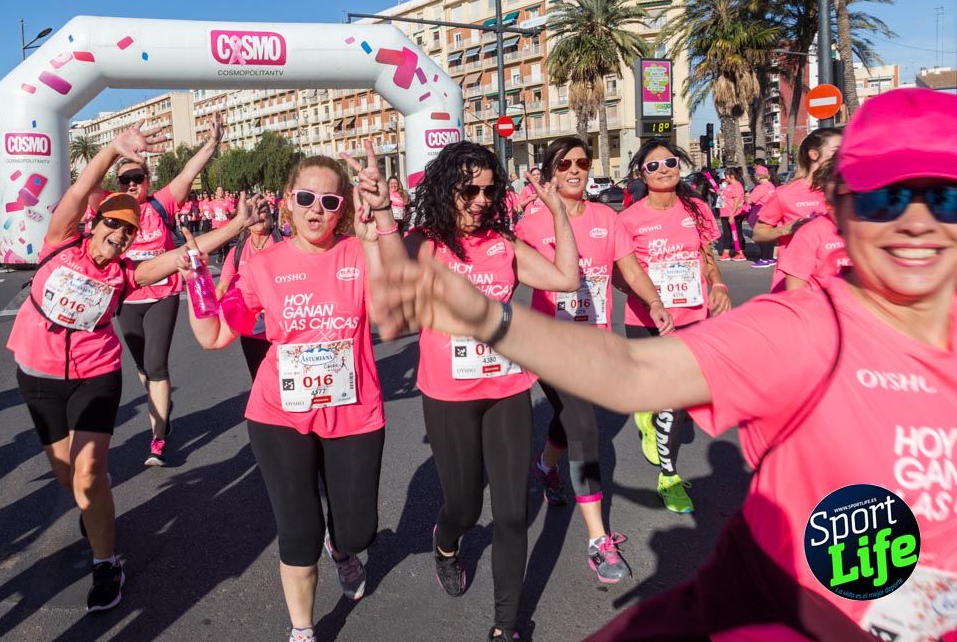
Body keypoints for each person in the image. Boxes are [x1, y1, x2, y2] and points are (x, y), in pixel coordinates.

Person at [367, 87, 957, 641]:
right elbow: (631, 372)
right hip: (777, 612)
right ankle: (456, 537)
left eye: (945, 196)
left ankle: (507, 620)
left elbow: (588, 275)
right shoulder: (805, 325)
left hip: (516, 380)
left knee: (522, 502)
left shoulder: (579, 225)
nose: (917, 222)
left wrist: (692, 282)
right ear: (843, 207)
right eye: (887, 196)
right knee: (476, 498)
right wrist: (484, 317)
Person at [6, 123, 250, 613]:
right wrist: (112, 149)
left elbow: (184, 254)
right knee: (67, 476)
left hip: (96, 374)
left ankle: (105, 562)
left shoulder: (126, 275)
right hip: (38, 372)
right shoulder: (58, 243)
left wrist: (236, 227)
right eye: (110, 225)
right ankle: (94, 507)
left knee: (90, 472)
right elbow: (77, 191)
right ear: (92, 225)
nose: (117, 235)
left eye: (126, 231)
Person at [365, 141, 581, 641]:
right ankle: (446, 543)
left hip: (507, 388)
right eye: (469, 190)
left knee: (512, 512)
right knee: (463, 503)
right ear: (447, 189)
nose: (482, 199)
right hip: (448, 393)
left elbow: (567, 277)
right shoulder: (425, 242)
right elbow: (398, 278)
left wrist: (557, 214)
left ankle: (506, 625)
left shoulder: (504, 244)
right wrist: (381, 213)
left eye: (489, 189)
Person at [180, 146, 389, 642]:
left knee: (357, 530)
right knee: (298, 533)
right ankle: (302, 630)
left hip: (354, 413)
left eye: (330, 201)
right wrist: (196, 281)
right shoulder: (261, 265)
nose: (318, 209)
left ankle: (344, 549)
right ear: (287, 203)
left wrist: (378, 230)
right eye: (306, 197)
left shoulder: (359, 253)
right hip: (280, 416)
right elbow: (214, 335)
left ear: (344, 207)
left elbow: (387, 316)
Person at [514, 136, 675, 585]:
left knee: (569, 420)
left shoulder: (607, 218)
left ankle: (545, 466)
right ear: (549, 170)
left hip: (596, 344)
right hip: (551, 344)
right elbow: (501, 267)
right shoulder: (531, 221)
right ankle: (598, 540)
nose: (574, 169)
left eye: (582, 162)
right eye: (564, 163)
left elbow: (632, 270)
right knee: (584, 427)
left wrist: (655, 302)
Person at [618, 140, 729, 514]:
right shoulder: (629, 219)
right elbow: (622, 272)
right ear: (641, 175)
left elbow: (707, 256)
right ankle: (647, 414)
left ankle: (668, 475)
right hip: (644, 318)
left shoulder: (696, 209)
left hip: (692, 316)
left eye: (669, 162)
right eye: (653, 166)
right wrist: (649, 294)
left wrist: (718, 284)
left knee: (677, 398)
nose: (663, 169)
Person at [110, 113, 224, 467]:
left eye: (137, 178)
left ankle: (158, 438)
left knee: (156, 366)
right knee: (144, 369)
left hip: (163, 294)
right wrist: (114, 151)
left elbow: (189, 171)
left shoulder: (161, 203)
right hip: (127, 298)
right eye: (124, 179)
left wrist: (211, 144)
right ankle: (160, 407)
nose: (131, 184)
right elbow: (81, 188)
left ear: (147, 180)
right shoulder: (111, 209)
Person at [753, 128, 843, 291]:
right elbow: (758, 233)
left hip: (837, 285)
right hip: (794, 285)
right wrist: (787, 229)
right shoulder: (786, 194)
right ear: (814, 155)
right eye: (836, 151)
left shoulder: (846, 192)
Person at [215, 199, 284, 381]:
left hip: (283, 329)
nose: (258, 216)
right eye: (253, 211)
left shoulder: (286, 245)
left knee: (287, 381)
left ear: (271, 216)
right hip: (252, 330)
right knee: (259, 379)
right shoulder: (237, 251)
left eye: (263, 210)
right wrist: (210, 316)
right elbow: (221, 288)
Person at [779, 160, 852, 291]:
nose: (838, 211)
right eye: (830, 204)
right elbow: (795, 290)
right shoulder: (809, 233)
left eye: (843, 201)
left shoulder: (871, 228)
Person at [745, 165, 777, 268]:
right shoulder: (771, 186)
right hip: (772, 211)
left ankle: (764, 259)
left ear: (758, 176)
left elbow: (750, 201)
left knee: (761, 235)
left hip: (760, 211)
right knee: (769, 236)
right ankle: (770, 258)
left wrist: (746, 195)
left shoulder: (760, 188)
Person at [717, 168, 747, 262]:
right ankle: (726, 253)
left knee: (736, 233)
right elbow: (725, 195)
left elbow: (737, 200)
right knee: (727, 234)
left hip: (733, 213)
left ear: (731, 176)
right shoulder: (728, 185)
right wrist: (719, 192)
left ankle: (740, 253)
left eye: (726, 176)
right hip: (724, 213)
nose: (725, 178)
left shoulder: (737, 186)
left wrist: (732, 214)